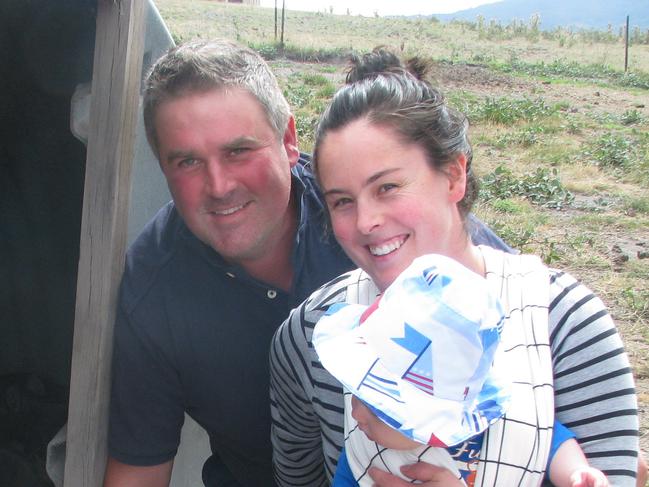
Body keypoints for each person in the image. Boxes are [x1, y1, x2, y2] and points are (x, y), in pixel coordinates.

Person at [103, 39, 512, 487]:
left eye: (239, 150)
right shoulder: (153, 287)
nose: (219, 185)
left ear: (289, 140)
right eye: (187, 161)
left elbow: (530, 346)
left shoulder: (371, 220)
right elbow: (138, 469)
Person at [269, 49, 641, 486]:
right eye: (342, 202)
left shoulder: (564, 323)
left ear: (454, 175)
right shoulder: (309, 337)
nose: (366, 221)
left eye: (388, 187)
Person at [313, 254, 610, 487]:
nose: (355, 414)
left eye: (379, 408)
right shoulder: (363, 448)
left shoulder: (496, 423)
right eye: (357, 392)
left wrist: (576, 472)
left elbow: (549, 439)